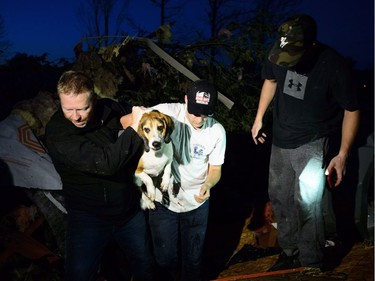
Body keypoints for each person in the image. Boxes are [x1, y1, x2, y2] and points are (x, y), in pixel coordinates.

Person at [251, 14, 360, 271]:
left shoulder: (333, 65)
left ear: (311, 45)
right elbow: (270, 80)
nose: (287, 60)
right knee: (279, 197)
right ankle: (289, 252)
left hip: (312, 141)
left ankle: (310, 262)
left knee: (307, 202)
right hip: (280, 140)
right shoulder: (279, 50)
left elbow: (352, 110)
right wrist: (258, 118)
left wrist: (342, 154)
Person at [45, 70, 157, 281]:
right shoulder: (58, 133)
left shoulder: (108, 107)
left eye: (83, 108)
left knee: (145, 267)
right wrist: (134, 130)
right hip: (88, 216)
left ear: (94, 100)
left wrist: (135, 117)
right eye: (68, 109)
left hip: (128, 211)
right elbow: (105, 163)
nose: (75, 116)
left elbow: (132, 115)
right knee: (78, 275)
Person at [148, 79, 227, 281]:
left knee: (193, 261)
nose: (198, 118)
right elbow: (130, 119)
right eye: (193, 111)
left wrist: (208, 184)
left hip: (196, 203)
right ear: (185, 100)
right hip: (163, 201)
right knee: (165, 259)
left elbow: (215, 168)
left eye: (204, 112)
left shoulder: (217, 131)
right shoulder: (168, 112)